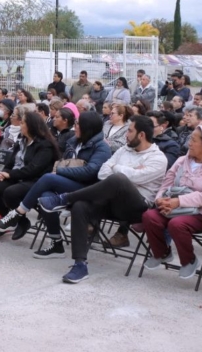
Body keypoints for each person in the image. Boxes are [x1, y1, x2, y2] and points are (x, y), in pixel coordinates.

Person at [38, 115, 168, 283]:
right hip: (111, 202)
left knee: (118, 180)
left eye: (129, 131)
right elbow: (102, 173)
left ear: (141, 135)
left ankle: (64, 198)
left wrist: (119, 169)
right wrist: (128, 170)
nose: (125, 135)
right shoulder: (123, 150)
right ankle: (80, 264)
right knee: (80, 206)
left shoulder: (158, 158)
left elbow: (128, 177)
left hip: (136, 207)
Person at [0, 112, 111, 247]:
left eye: (78, 124)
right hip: (70, 184)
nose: (75, 127)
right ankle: (56, 243)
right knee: (45, 198)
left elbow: (90, 172)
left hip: (88, 189)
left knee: (48, 177)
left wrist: (60, 171)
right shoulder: (74, 142)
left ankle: (18, 213)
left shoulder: (102, 147)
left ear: (87, 127)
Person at [141, 125, 202, 279]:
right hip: (173, 207)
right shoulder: (182, 160)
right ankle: (162, 252)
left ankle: (189, 261)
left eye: (194, 140)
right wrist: (160, 199)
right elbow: (166, 183)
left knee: (177, 224)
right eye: (190, 139)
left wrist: (178, 201)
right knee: (150, 216)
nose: (189, 143)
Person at [0, 112, 59, 222]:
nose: (20, 125)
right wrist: (3, 173)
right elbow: (10, 163)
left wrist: (9, 174)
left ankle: (17, 221)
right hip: (17, 177)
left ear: (31, 125)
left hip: (35, 181)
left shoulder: (45, 145)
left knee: (11, 192)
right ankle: (11, 219)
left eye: (22, 123)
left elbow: (34, 169)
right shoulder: (21, 141)